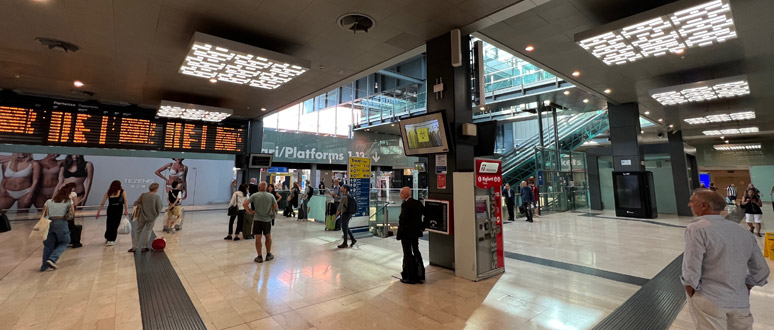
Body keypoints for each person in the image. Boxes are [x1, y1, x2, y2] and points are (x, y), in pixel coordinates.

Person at [681, 189, 769, 329]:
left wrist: (690, 288)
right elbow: (762, 270)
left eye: (692, 201)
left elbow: (691, 264)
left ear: (704, 206)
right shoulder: (742, 231)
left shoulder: (696, 228)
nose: (689, 204)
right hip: (739, 299)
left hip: (709, 297)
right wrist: (746, 285)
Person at [39, 186, 75, 271]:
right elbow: (72, 214)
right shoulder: (68, 201)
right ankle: (52, 259)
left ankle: (44, 266)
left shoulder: (48, 201)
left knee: (48, 245)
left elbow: (44, 214)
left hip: (49, 222)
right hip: (61, 222)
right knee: (65, 241)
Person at [243, 182, 278, 263]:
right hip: (267, 220)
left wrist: (250, 211)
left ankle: (259, 256)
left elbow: (245, 204)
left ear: (259, 187)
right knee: (268, 237)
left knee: (258, 238)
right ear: (266, 188)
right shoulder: (271, 196)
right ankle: (268, 254)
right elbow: (276, 207)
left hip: (257, 219)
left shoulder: (255, 195)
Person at [397, 186, 425, 284]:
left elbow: (402, 219)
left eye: (401, 193)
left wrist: (399, 232)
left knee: (407, 253)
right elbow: (425, 213)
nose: (400, 195)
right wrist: (422, 226)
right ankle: (420, 274)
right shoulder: (418, 203)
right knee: (416, 251)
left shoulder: (405, 204)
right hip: (415, 233)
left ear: (405, 194)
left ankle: (410, 277)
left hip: (406, 233)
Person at [129, 183, 163, 253]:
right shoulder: (157, 197)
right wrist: (156, 214)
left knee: (138, 231)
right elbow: (159, 207)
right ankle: (144, 247)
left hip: (142, 216)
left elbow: (136, 203)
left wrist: (141, 207)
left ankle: (134, 247)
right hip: (152, 217)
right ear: (156, 189)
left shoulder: (143, 195)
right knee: (148, 231)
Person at [95, 180, 129, 246]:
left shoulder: (110, 192)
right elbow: (125, 201)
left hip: (112, 209)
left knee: (111, 223)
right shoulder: (119, 192)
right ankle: (111, 239)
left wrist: (98, 211)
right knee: (113, 224)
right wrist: (126, 210)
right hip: (117, 209)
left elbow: (102, 203)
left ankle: (109, 238)